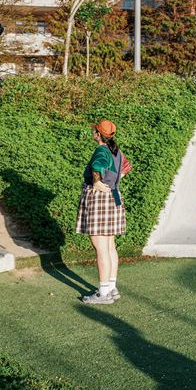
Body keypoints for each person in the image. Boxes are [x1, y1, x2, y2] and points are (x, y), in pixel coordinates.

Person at [77, 119, 129, 305]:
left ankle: (103, 293)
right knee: (109, 246)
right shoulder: (116, 151)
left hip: (100, 199)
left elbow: (96, 166)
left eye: (94, 131)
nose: (93, 133)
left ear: (99, 135)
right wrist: (114, 181)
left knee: (100, 247)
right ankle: (111, 288)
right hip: (114, 196)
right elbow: (126, 167)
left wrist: (98, 181)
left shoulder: (101, 150)